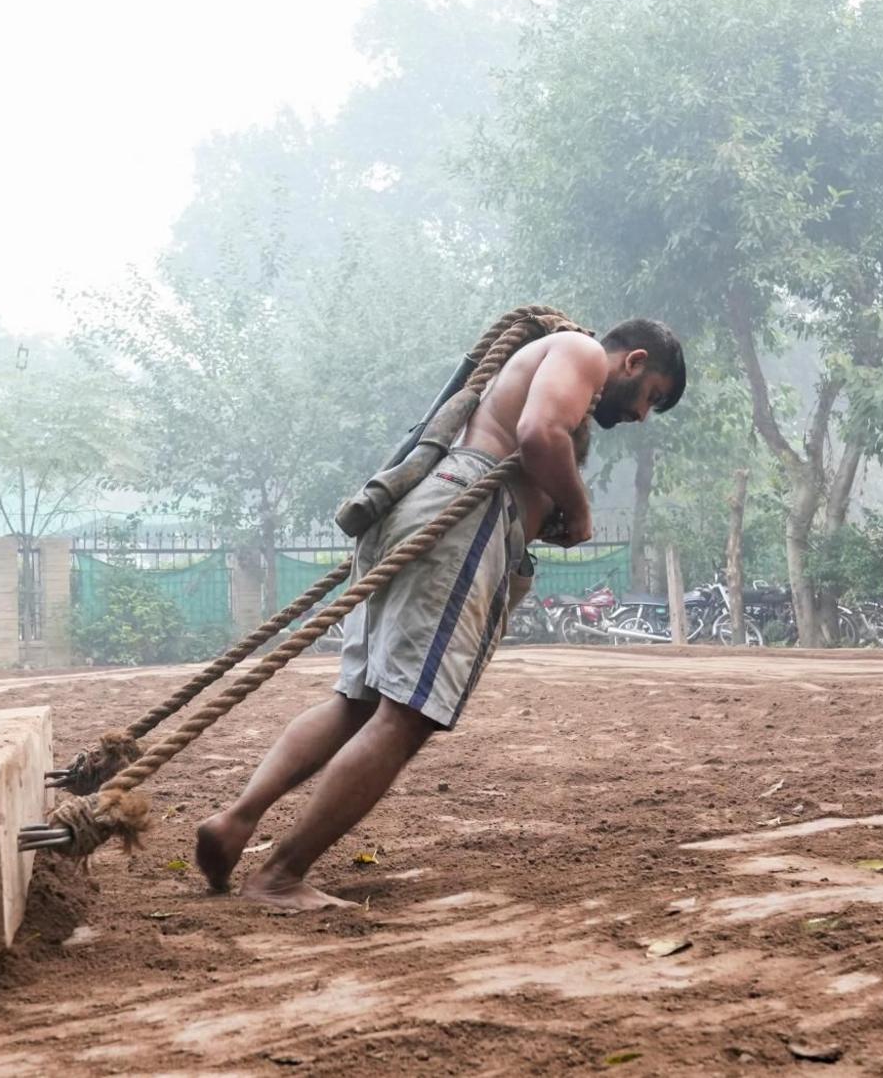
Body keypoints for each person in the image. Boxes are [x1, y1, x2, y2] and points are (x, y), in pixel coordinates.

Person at [195, 318, 686, 909]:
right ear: (633, 361)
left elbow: (533, 446)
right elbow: (537, 434)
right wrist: (580, 513)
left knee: (357, 704)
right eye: (652, 397)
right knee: (406, 717)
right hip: (461, 521)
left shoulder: (549, 363)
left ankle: (234, 824)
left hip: (431, 507)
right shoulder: (581, 352)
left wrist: (546, 514)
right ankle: (279, 876)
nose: (641, 417)